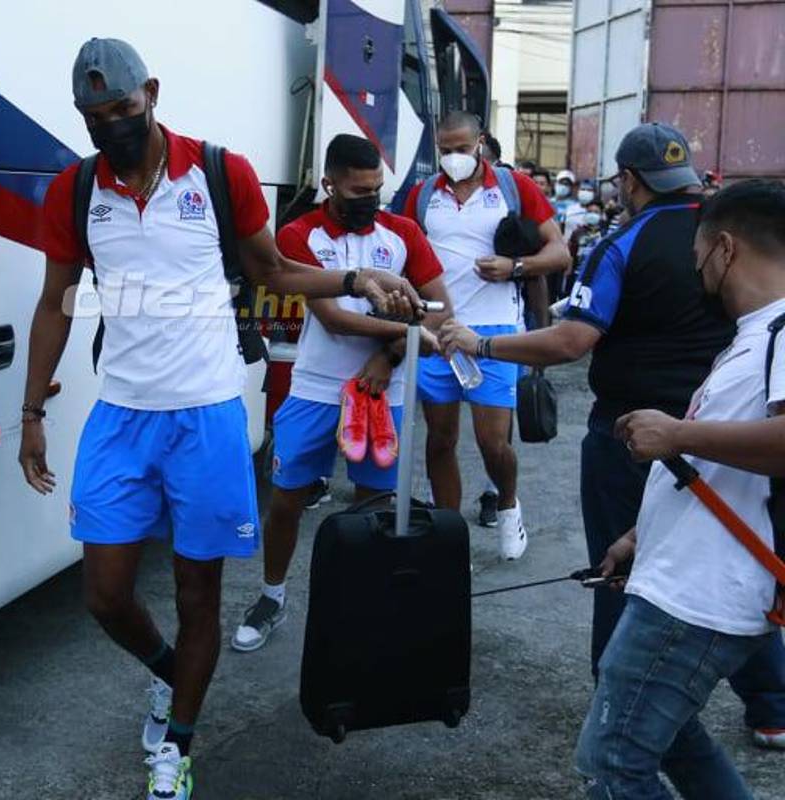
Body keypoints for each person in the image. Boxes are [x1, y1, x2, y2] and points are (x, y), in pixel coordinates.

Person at [22, 38, 417, 800]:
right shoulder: (75, 189)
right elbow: (55, 303)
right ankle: (175, 676)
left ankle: (179, 743)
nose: (111, 127)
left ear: (153, 94)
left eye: (123, 110)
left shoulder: (218, 171)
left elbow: (271, 270)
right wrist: (32, 409)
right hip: (121, 414)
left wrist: (355, 275)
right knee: (104, 593)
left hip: (204, 416)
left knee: (197, 593)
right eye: (94, 117)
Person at [440, 123, 785, 743]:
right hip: (728, 427)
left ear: (627, 181)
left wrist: (483, 342)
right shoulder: (736, 236)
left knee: (620, 570)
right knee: (734, 557)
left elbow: (573, 340)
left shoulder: (625, 242)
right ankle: (772, 707)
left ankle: (620, 706)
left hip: (637, 433)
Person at [574, 179, 785, 798]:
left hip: (701, 596)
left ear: (724, 247)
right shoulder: (753, 335)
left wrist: (677, 434)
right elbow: (726, 474)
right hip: (684, 575)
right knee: (672, 736)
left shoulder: (781, 332)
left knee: (613, 763)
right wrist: (642, 537)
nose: (694, 265)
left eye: (697, 252)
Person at [231, 134, 451, 653]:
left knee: (376, 507)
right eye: (358, 191)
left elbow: (442, 310)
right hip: (315, 389)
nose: (370, 200)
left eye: (377, 189)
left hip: (386, 391)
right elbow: (332, 319)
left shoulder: (403, 233)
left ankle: (370, 604)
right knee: (286, 502)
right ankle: (272, 595)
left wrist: (390, 355)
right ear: (328, 184)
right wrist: (407, 331)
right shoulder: (298, 234)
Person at [403, 111, 570, 559]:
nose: (453, 157)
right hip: (438, 329)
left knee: (494, 444)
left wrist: (515, 267)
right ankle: (447, 532)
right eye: (445, 150)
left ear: (480, 143)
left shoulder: (514, 189)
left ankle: (508, 503)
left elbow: (559, 253)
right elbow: (403, 250)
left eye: (461, 148)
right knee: (439, 440)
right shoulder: (423, 195)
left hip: (496, 332)